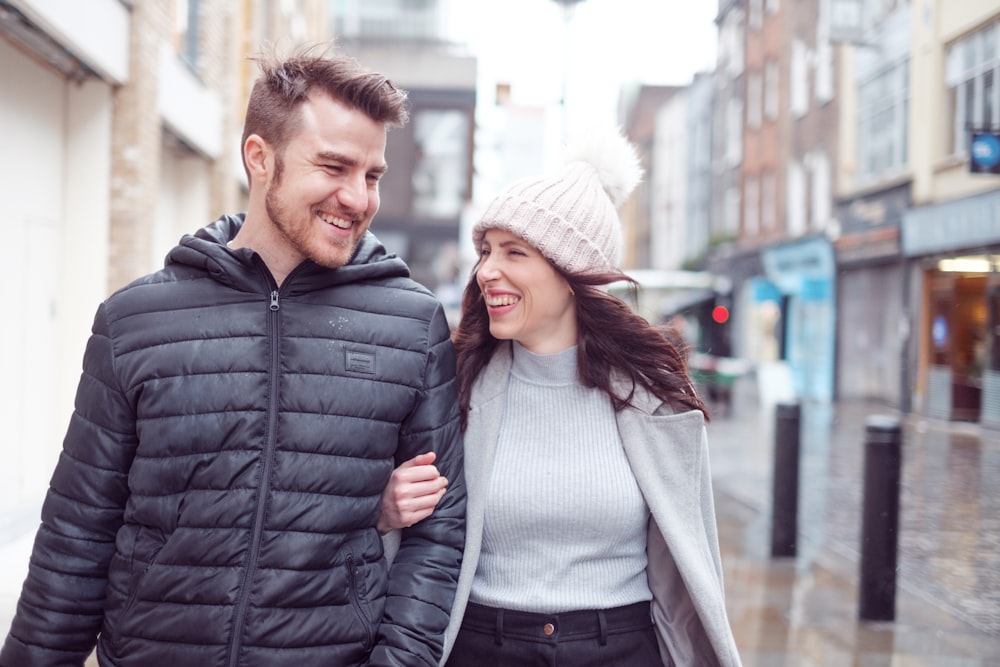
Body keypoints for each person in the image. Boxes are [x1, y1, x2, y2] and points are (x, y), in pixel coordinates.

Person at [0, 49, 465, 667]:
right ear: (259, 158)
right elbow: (76, 536)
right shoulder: (134, 322)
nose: (357, 197)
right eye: (334, 166)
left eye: (373, 175)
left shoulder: (411, 325)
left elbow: (439, 535)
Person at [441, 129, 742, 666]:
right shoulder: (454, 386)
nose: (487, 270)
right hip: (481, 647)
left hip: (622, 648)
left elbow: (695, 568)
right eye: (485, 251)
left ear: (571, 273)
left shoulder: (656, 402)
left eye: (514, 252)